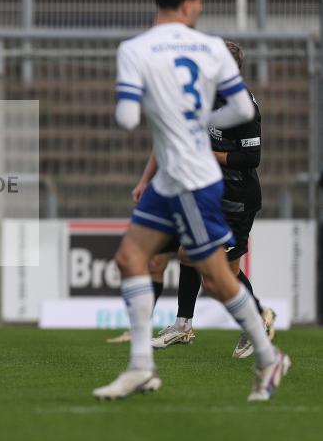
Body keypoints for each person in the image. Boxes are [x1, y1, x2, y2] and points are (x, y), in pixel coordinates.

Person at [93, 0, 289, 402]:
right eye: (200, 4)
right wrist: (196, 123)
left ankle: (268, 356)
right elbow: (236, 105)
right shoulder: (207, 49)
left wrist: (172, 119)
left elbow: (127, 119)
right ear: (187, 5)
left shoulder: (134, 49)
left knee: (218, 279)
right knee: (131, 258)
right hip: (174, 180)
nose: (201, 11)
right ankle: (142, 366)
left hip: (199, 182)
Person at [109, 42, 276, 357]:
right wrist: (146, 180)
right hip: (203, 192)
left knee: (220, 270)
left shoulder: (243, 106)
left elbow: (250, 157)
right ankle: (183, 324)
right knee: (183, 253)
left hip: (236, 198)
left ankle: (254, 323)